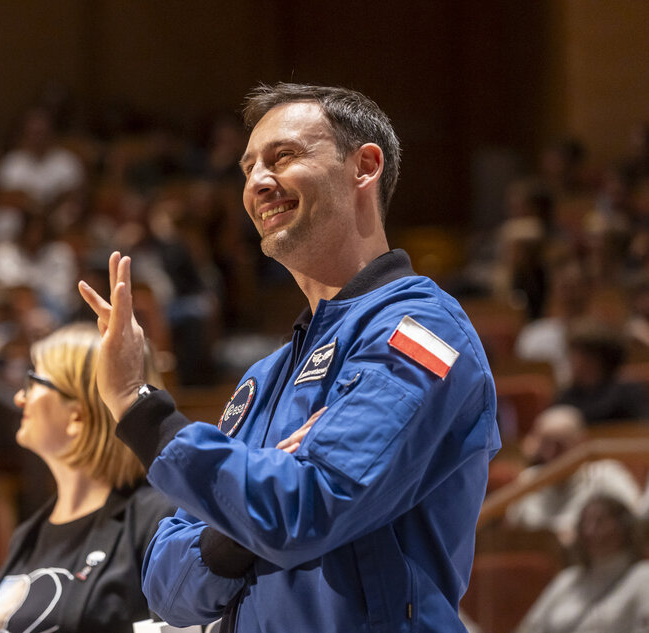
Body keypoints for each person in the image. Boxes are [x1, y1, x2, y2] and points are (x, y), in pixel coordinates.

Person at [78, 83, 501, 632]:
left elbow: (310, 504)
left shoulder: (421, 331)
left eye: (283, 157)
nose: (257, 181)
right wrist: (255, 505)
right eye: (248, 167)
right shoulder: (264, 377)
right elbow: (167, 584)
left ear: (364, 167)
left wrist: (140, 409)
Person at [0, 323, 173, 633]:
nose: (19, 398)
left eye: (33, 381)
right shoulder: (29, 533)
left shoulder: (158, 518)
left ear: (77, 414)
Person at [506, 405, 641, 544]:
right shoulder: (528, 480)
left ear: (582, 442)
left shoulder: (606, 475)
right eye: (545, 445)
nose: (550, 453)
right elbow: (509, 533)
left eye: (559, 445)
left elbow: (634, 521)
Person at [515, 494, 649, 633]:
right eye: (585, 523)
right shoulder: (568, 578)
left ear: (624, 527)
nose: (589, 531)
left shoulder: (643, 577)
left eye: (600, 522)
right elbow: (529, 628)